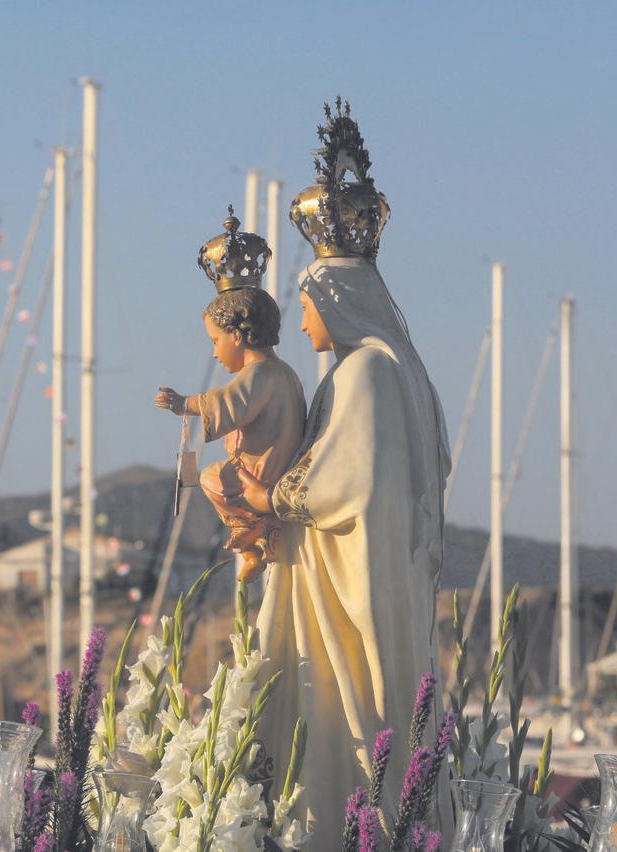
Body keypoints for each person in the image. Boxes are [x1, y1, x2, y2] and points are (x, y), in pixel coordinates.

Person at [235, 255, 451, 847]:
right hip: (347, 570)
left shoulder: (364, 373)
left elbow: (346, 480)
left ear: (336, 303)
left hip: (342, 587)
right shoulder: (390, 373)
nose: (302, 325)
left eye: (305, 307)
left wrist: (268, 494)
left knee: (338, 709)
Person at [155, 213, 306, 580]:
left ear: (237, 336)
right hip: (275, 473)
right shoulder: (283, 374)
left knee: (210, 478)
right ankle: (257, 535)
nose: (215, 353)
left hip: (262, 473)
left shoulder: (260, 376)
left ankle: (250, 527)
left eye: (215, 342)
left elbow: (226, 404)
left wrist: (184, 404)